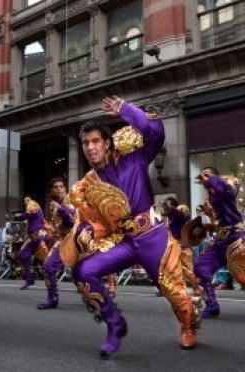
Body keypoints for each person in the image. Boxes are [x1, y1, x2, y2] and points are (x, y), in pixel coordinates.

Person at [61, 96, 196, 356]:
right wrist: (81, 231)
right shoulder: (86, 186)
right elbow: (91, 221)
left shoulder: (133, 159)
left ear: (107, 143)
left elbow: (156, 133)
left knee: (174, 292)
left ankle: (188, 325)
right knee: (83, 271)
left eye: (95, 141)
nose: (90, 147)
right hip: (122, 242)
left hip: (152, 237)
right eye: (86, 143)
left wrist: (126, 110)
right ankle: (114, 324)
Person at [194, 167, 245, 320]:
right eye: (202, 175)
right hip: (220, 239)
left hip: (236, 236)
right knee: (200, 267)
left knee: (241, 277)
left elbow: (227, 191)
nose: (204, 177)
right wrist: (207, 227)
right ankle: (212, 305)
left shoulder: (230, 182)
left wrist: (211, 180)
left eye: (207, 174)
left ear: (216, 175)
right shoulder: (209, 201)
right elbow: (217, 221)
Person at [37, 177, 75, 309]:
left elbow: (72, 220)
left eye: (62, 186)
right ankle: (52, 298)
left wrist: (60, 209)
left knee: (85, 273)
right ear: (51, 191)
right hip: (63, 241)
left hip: (77, 240)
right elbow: (56, 227)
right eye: (56, 187)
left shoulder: (70, 200)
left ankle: (105, 296)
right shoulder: (53, 205)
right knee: (48, 267)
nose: (59, 189)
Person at [162, 197, 201, 297]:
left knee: (188, 270)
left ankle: (196, 287)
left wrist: (170, 207)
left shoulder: (181, 217)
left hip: (183, 247)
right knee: (169, 267)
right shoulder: (173, 218)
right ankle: (166, 288)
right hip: (175, 246)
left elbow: (177, 213)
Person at [13, 196, 51, 290]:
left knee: (45, 261)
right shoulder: (33, 207)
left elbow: (27, 214)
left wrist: (19, 215)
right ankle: (29, 279)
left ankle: (51, 283)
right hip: (33, 239)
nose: (26, 202)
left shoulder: (33, 206)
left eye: (27, 200)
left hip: (39, 238)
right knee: (23, 255)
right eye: (25, 201)